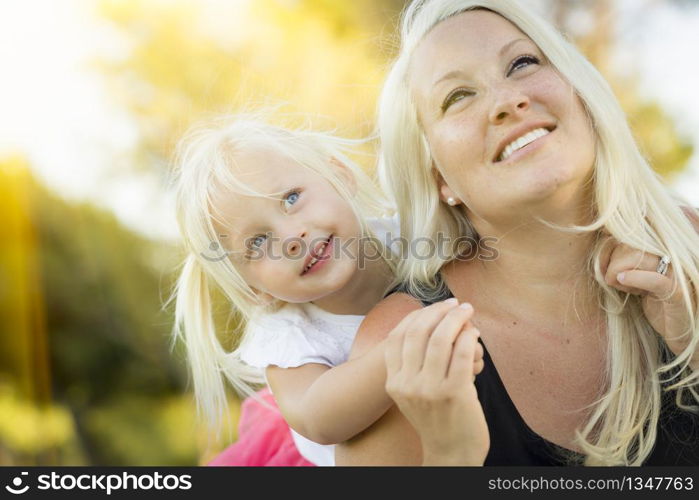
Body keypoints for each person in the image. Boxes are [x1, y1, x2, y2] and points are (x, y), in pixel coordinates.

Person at [335, 0, 699, 466]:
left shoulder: (688, 247)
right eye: (458, 96)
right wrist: (452, 456)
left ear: (579, 93)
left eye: (522, 63)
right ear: (439, 178)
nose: (508, 101)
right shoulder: (401, 343)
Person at [168, 113, 485, 465]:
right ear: (254, 290)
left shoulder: (409, 233)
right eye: (258, 242)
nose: (291, 238)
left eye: (290, 199)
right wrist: (405, 351)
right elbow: (317, 419)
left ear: (340, 175)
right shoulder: (287, 333)